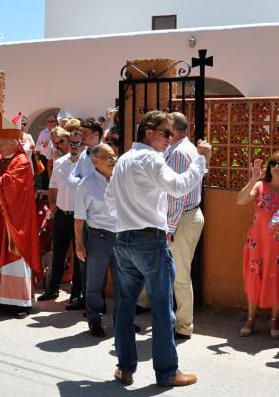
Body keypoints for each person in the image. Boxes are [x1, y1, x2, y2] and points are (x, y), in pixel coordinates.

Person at [105, 110, 211, 388]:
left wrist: (129, 215)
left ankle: (125, 368)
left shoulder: (125, 159)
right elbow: (179, 187)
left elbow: (109, 199)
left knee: (126, 307)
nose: (169, 137)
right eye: (165, 132)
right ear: (149, 132)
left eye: (170, 133)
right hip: (149, 240)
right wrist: (200, 160)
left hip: (125, 238)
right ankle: (166, 372)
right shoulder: (150, 158)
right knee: (163, 310)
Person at [0, 126, 42, 316]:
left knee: (14, 255)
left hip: (14, 219)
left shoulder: (22, 161)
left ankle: (18, 302)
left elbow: (13, 182)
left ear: (14, 144)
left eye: (2, 144)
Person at [237, 150, 279, 338]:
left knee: (278, 279)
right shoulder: (260, 185)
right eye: (273, 164)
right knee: (255, 277)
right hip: (259, 243)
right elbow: (240, 201)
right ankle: (250, 317)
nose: (276, 168)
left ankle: (274, 320)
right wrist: (253, 179)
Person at [165, 112, 204, 339]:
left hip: (183, 217)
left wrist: (169, 227)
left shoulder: (180, 152)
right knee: (178, 274)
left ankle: (183, 326)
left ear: (173, 128)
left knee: (180, 276)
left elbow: (177, 195)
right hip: (185, 216)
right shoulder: (184, 149)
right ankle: (180, 322)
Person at [74, 143, 118, 338]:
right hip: (98, 237)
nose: (114, 159)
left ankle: (123, 321)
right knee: (95, 283)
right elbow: (79, 219)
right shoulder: (86, 184)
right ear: (96, 161)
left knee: (124, 283)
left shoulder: (119, 179)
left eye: (114, 155)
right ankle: (95, 321)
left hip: (121, 238)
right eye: (109, 157)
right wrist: (79, 244)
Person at [37, 131, 84, 303]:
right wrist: (53, 208)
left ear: (83, 144)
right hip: (62, 215)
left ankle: (76, 292)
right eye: (71, 142)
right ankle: (53, 289)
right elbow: (53, 187)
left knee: (80, 256)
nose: (74, 146)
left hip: (80, 217)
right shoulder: (59, 163)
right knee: (58, 254)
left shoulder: (87, 163)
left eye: (78, 143)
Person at [67, 117, 103, 310]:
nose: (83, 137)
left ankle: (98, 303)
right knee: (83, 257)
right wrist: (83, 184)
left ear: (96, 135)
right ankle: (85, 299)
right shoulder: (83, 155)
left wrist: (84, 184)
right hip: (84, 212)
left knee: (100, 261)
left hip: (99, 215)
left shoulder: (105, 154)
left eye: (86, 133)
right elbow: (72, 177)